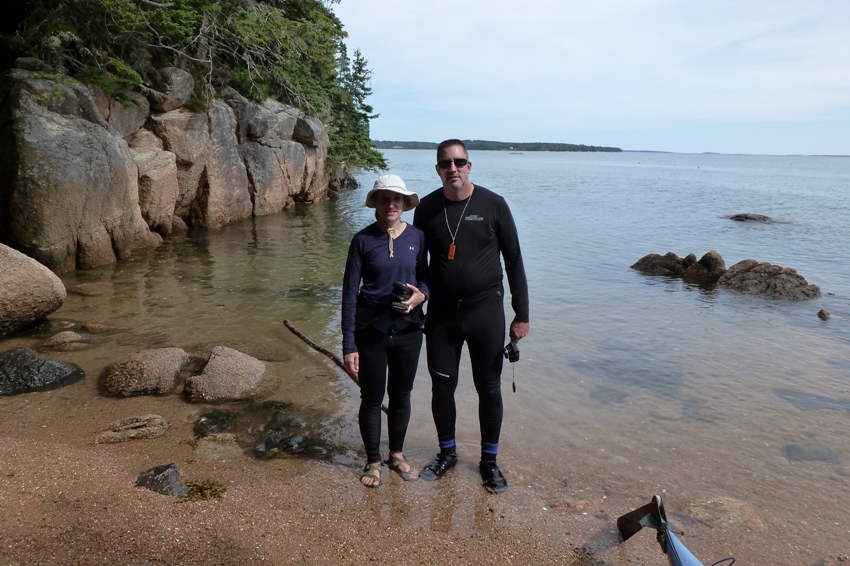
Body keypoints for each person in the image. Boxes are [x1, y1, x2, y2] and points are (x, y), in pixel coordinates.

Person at [412, 139, 529, 494]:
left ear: (470, 165)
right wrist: (416, 300)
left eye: (459, 162)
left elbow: (514, 261)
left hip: (485, 311)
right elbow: (420, 267)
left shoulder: (494, 205)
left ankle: (489, 463)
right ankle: (447, 454)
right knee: (442, 387)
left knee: (489, 389)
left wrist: (521, 315)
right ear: (437, 169)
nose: (453, 168)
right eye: (446, 163)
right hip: (443, 315)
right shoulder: (427, 208)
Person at [341, 174, 429, 488]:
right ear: (375, 203)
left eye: (397, 199)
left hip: (408, 329)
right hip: (371, 331)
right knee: (371, 397)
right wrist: (348, 343)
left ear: (405, 203)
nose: (391, 204)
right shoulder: (362, 240)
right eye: (384, 198)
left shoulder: (418, 237)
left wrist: (422, 295)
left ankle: (397, 454)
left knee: (402, 395)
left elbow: (425, 279)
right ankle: (373, 460)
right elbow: (350, 293)